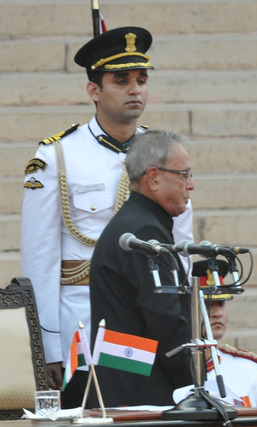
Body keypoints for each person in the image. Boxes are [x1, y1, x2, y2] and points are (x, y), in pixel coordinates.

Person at [20, 27, 193, 407]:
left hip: (152, 320)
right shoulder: (56, 157)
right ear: (93, 90)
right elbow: (40, 257)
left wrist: (187, 339)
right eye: (122, 80)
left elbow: (180, 251)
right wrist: (47, 346)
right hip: (82, 326)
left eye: (142, 80)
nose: (136, 90)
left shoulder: (165, 154)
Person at [89, 129, 195, 406]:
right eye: (184, 174)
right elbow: (165, 319)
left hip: (130, 378)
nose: (191, 184)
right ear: (154, 177)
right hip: (142, 393)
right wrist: (189, 385)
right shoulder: (144, 231)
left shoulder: (135, 223)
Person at [173, 288, 257, 408]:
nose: (217, 313)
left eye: (221, 304)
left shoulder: (251, 370)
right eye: (206, 304)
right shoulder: (161, 367)